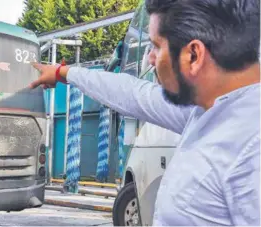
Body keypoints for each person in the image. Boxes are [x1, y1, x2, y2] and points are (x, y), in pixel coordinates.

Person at [29, 0, 260, 225]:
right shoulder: (205, 111)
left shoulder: (251, 146)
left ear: (193, 55)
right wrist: (63, 73)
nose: (150, 59)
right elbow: (133, 93)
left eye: (157, 46)